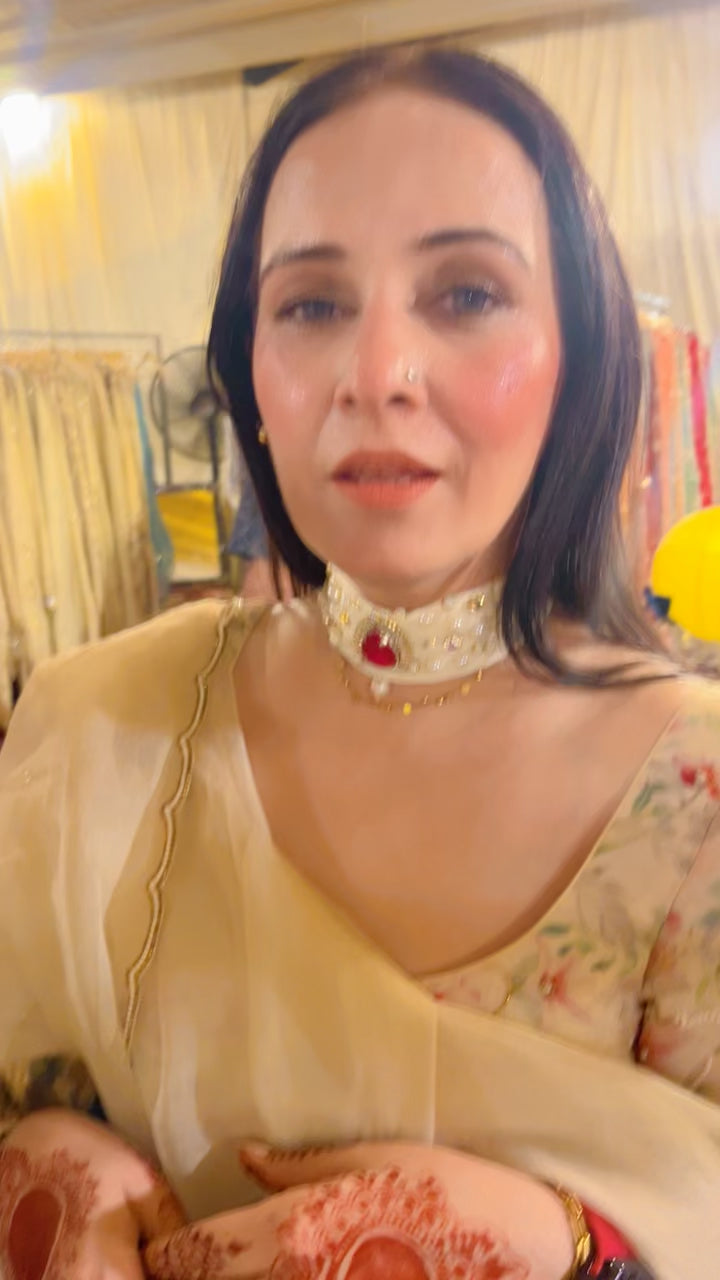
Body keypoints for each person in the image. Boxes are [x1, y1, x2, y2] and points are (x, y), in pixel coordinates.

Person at [1, 42, 719, 1280]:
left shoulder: (693, 793)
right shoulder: (97, 721)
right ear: (252, 375)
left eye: (467, 293)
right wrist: (43, 1157)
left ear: (581, 358)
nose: (376, 376)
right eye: (313, 305)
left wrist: (571, 1244)